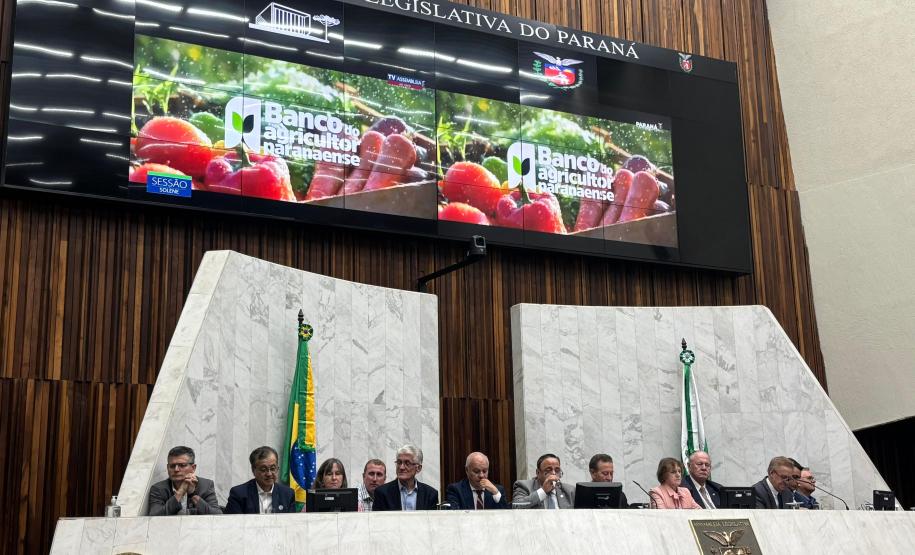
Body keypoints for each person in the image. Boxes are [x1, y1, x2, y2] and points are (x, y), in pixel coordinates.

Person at [147, 446, 221, 515]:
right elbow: (154, 516)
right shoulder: (158, 489)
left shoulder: (206, 485)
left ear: (193, 468)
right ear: (167, 467)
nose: (176, 469)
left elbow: (218, 515)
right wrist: (181, 491)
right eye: (172, 466)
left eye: (182, 465)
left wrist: (193, 494)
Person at [225, 446, 296, 514]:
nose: (269, 473)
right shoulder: (239, 494)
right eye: (263, 469)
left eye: (273, 468)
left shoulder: (287, 494)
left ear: (277, 468)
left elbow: (292, 524)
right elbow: (232, 524)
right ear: (253, 470)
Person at [373, 445, 439, 511]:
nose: (401, 467)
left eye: (407, 463)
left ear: (418, 468)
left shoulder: (430, 494)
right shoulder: (382, 493)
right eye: (399, 462)